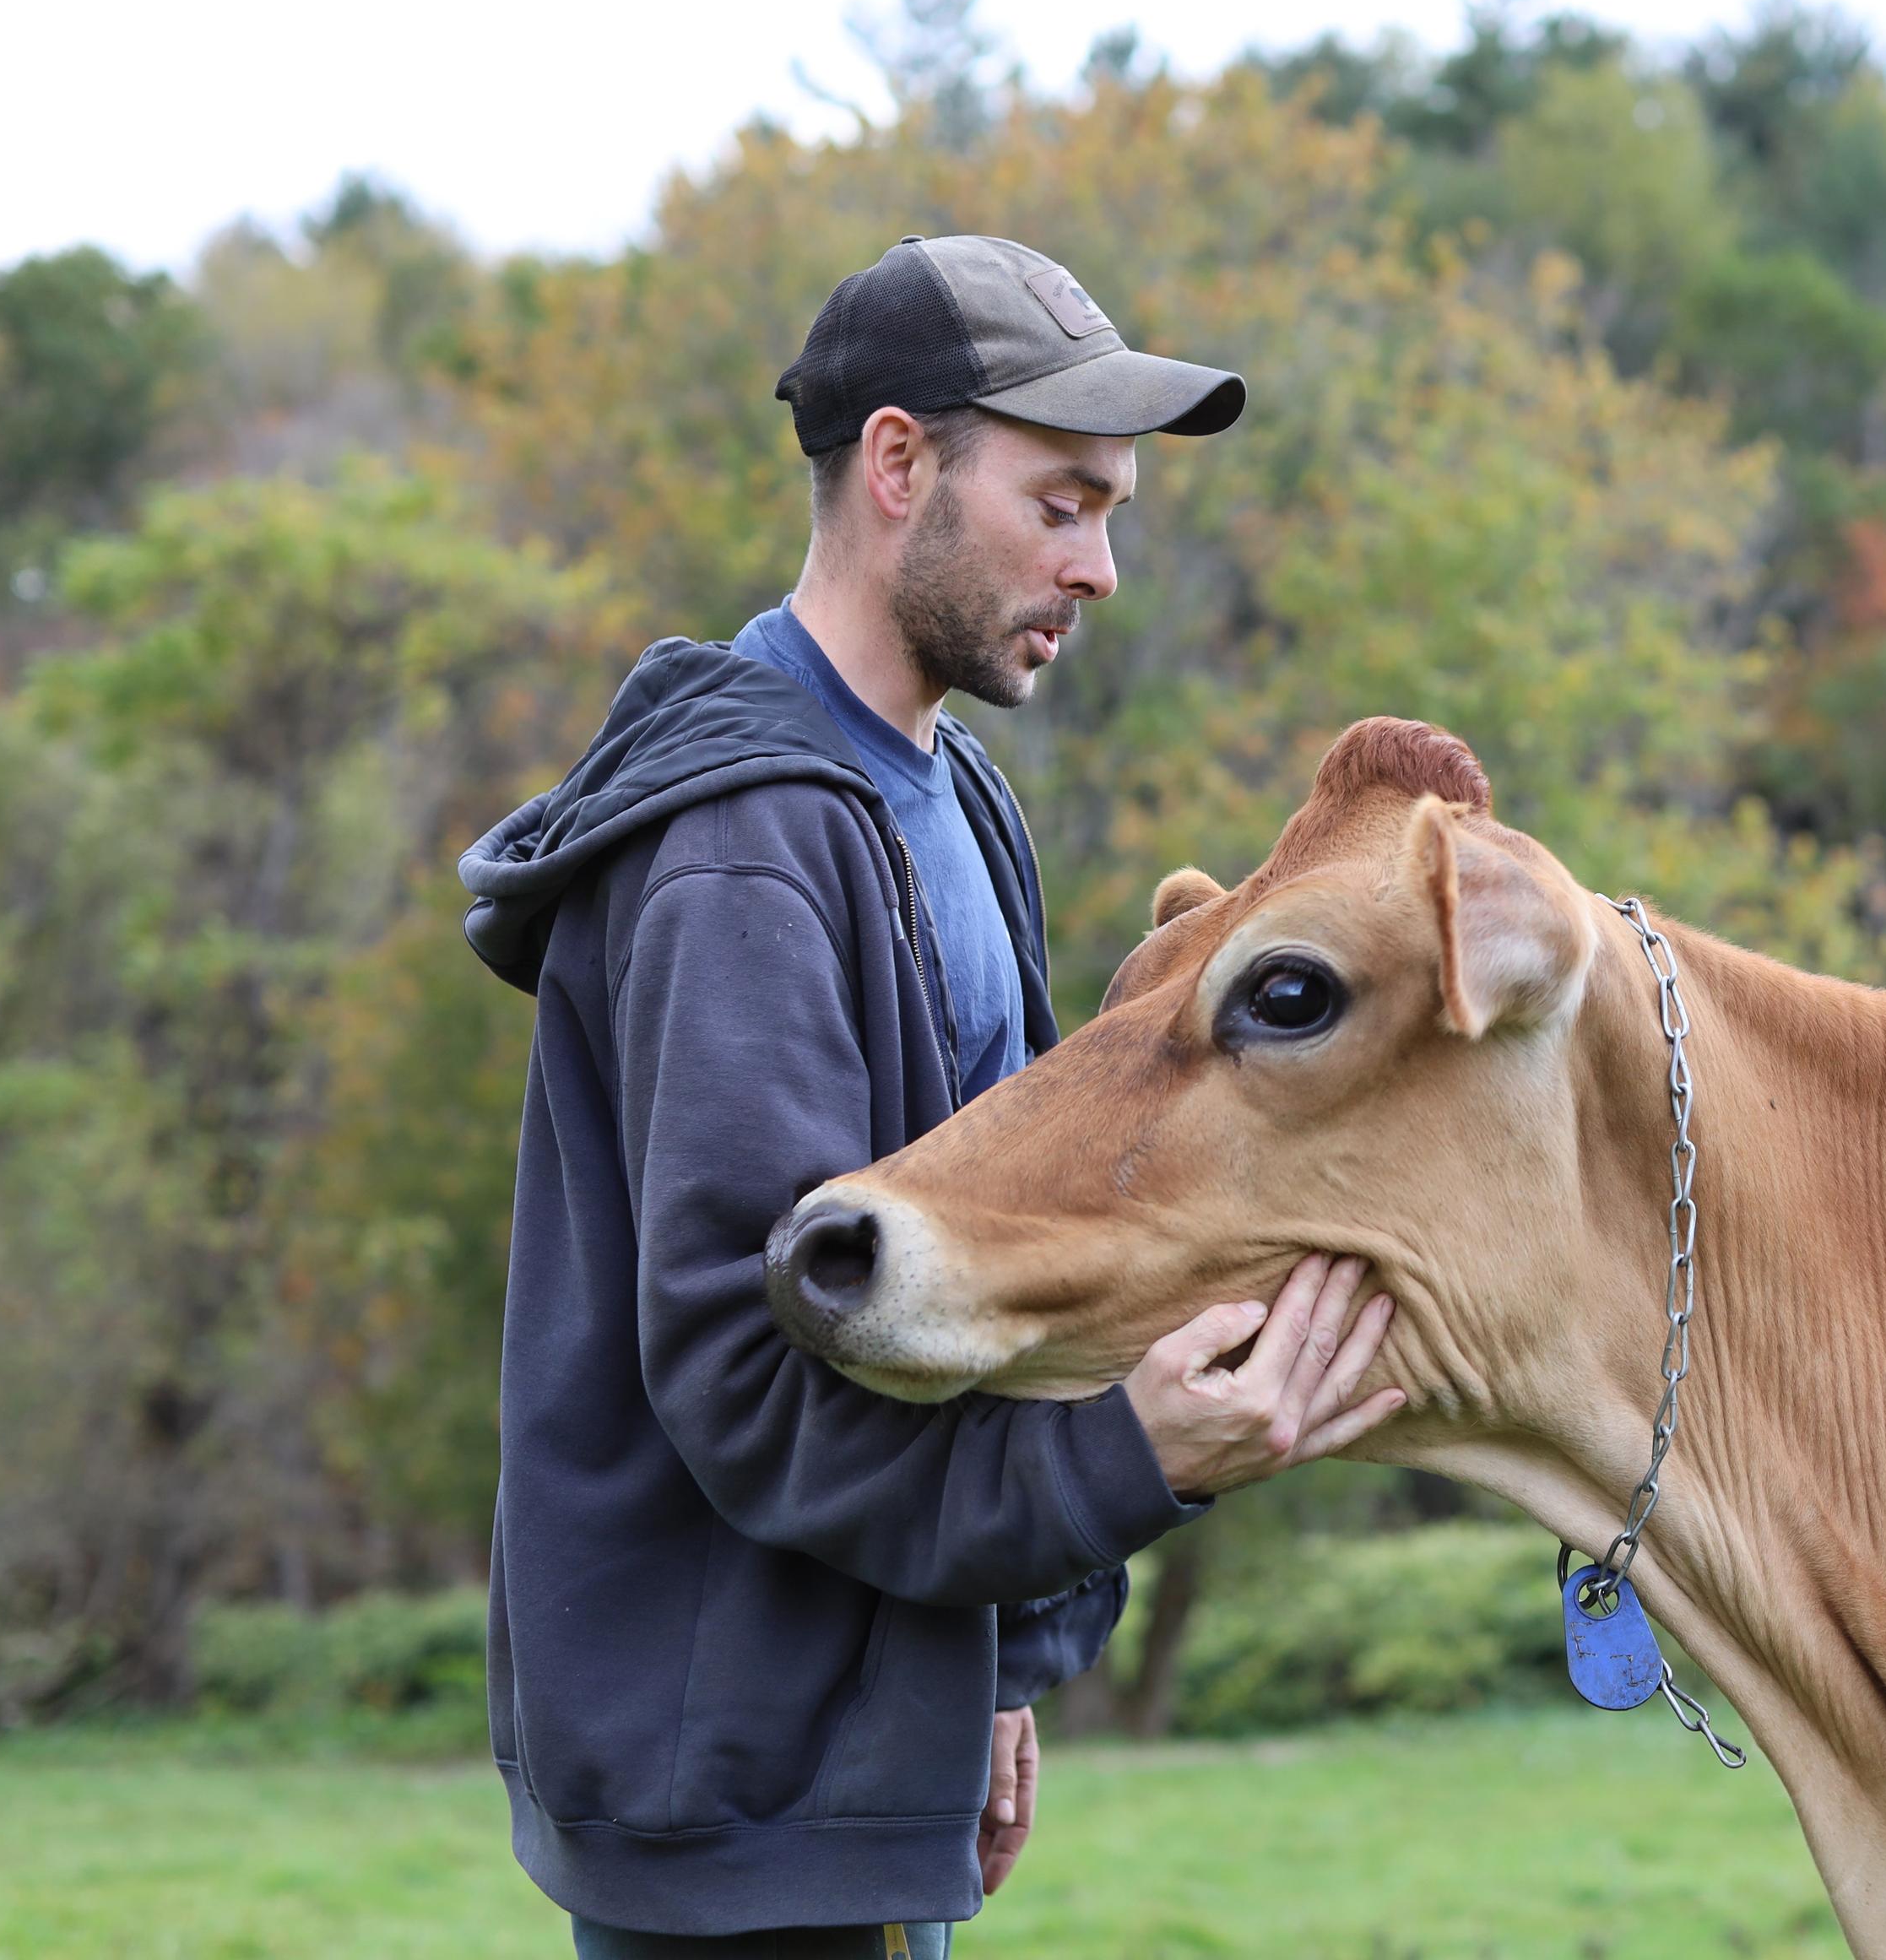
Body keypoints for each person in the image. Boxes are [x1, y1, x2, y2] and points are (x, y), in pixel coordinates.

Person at [460, 235, 1400, 1957]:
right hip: (743, 1811)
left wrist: (994, 1658)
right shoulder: (743, 850)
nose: (1100, 565)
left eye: (1112, 509)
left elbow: (967, 1300)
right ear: (899, 465)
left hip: (857, 1756)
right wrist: (1127, 1459)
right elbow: (754, 1371)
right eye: (1059, 502)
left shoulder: (949, 798)